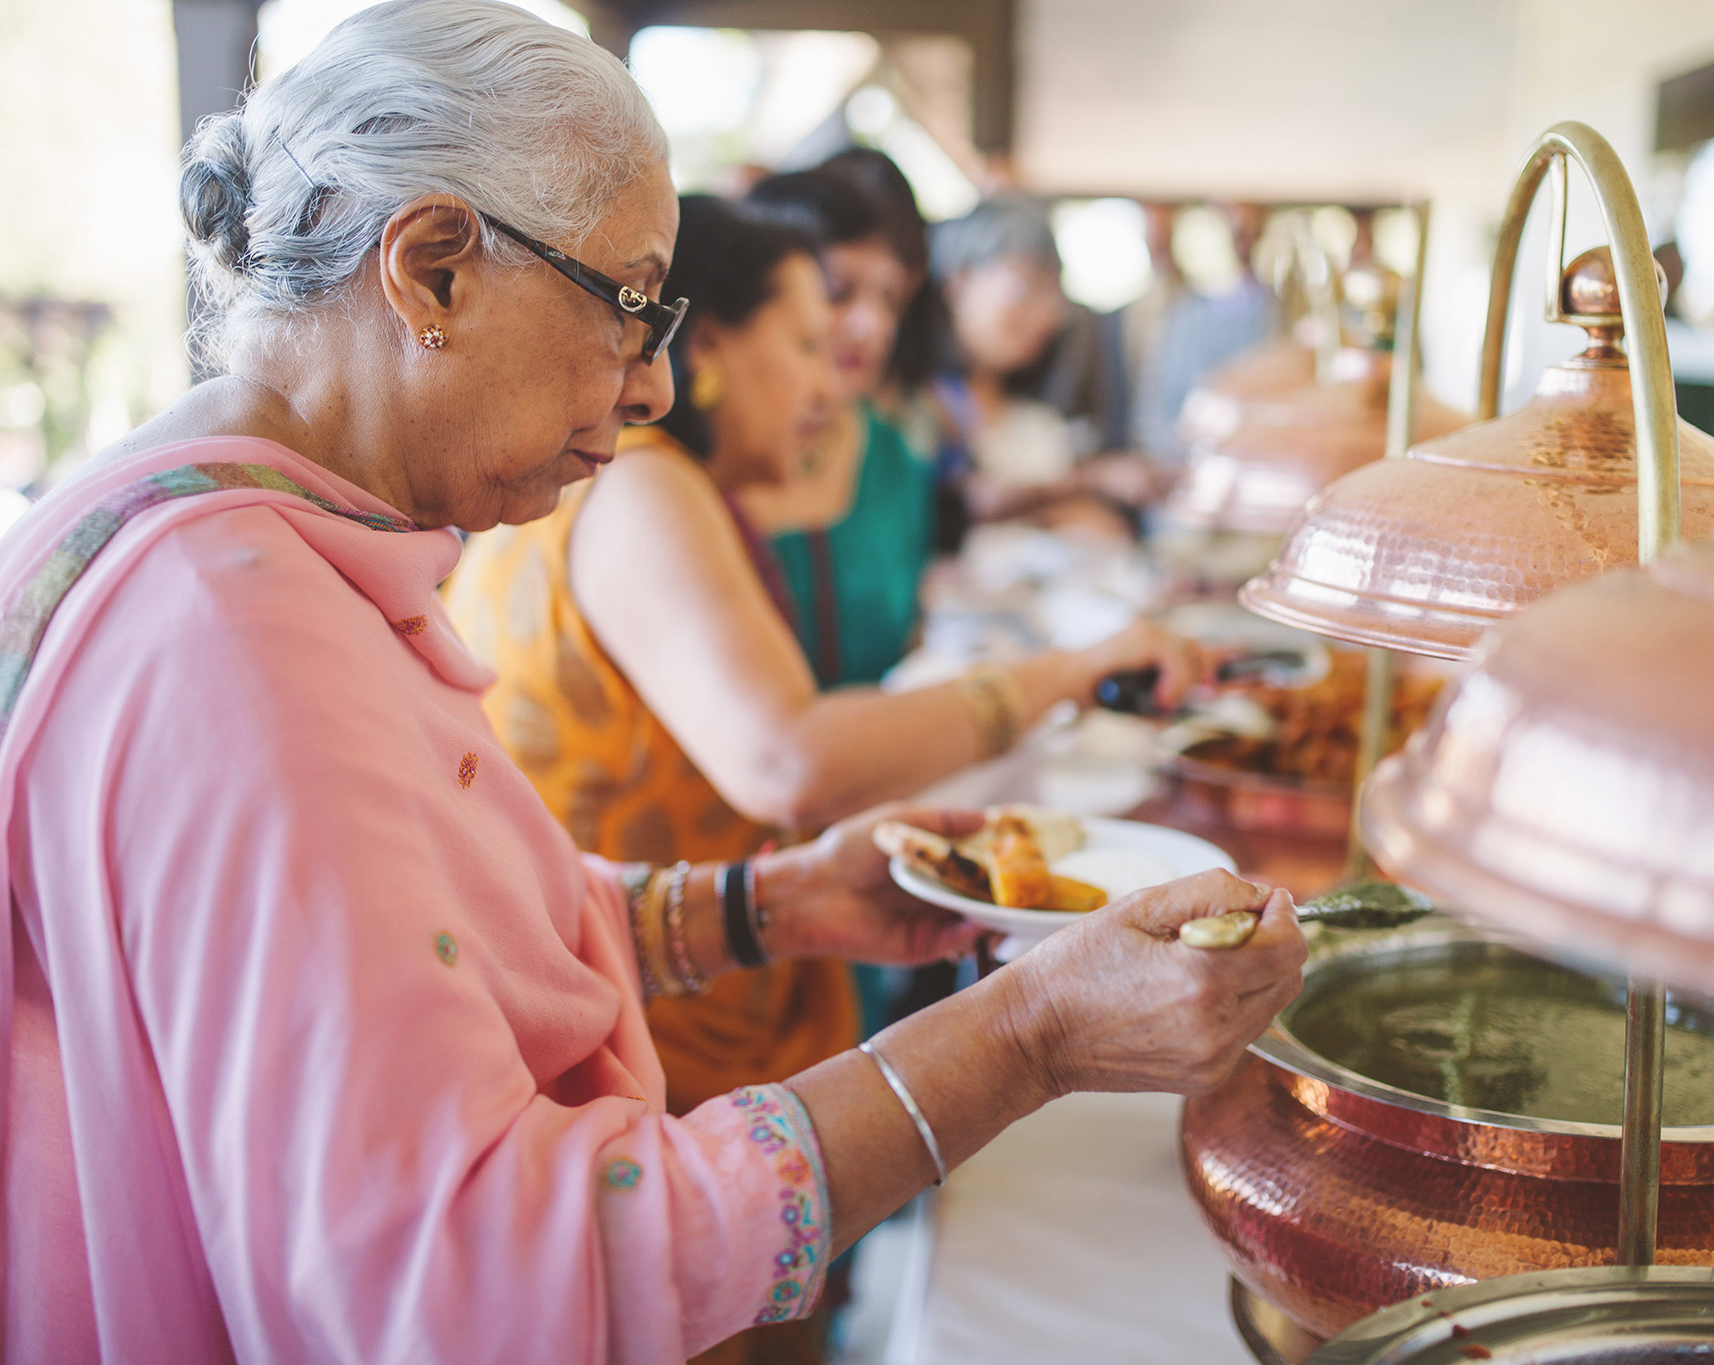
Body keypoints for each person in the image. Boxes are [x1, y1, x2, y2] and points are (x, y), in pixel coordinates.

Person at [0, 6, 1309, 1361]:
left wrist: (771, 904)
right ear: (432, 272)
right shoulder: (239, 647)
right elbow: (474, 1292)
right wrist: (1028, 1034)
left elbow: (440, 943)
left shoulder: (220, 537)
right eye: (633, 307)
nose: (654, 388)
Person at [445, 196, 1207, 1152]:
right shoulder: (641, 480)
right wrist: (1072, 671)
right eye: (806, 343)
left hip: (661, 974)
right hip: (637, 1033)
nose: (831, 382)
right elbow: (789, 759)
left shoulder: (669, 484)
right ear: (707, 347)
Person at [737, 167, 933, 690]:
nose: (873, 327)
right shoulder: (698, 465)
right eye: (837, 292)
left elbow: (907, 640)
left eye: (889, 300)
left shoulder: (893, 456)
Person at [929, 196, 1163, 540]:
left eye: (1054, 294)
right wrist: (1091, 479)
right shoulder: (925, 402)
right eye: (1028, 285)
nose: (1047, 315)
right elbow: (966, 505)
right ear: (959, 280)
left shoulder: (1028, 413)